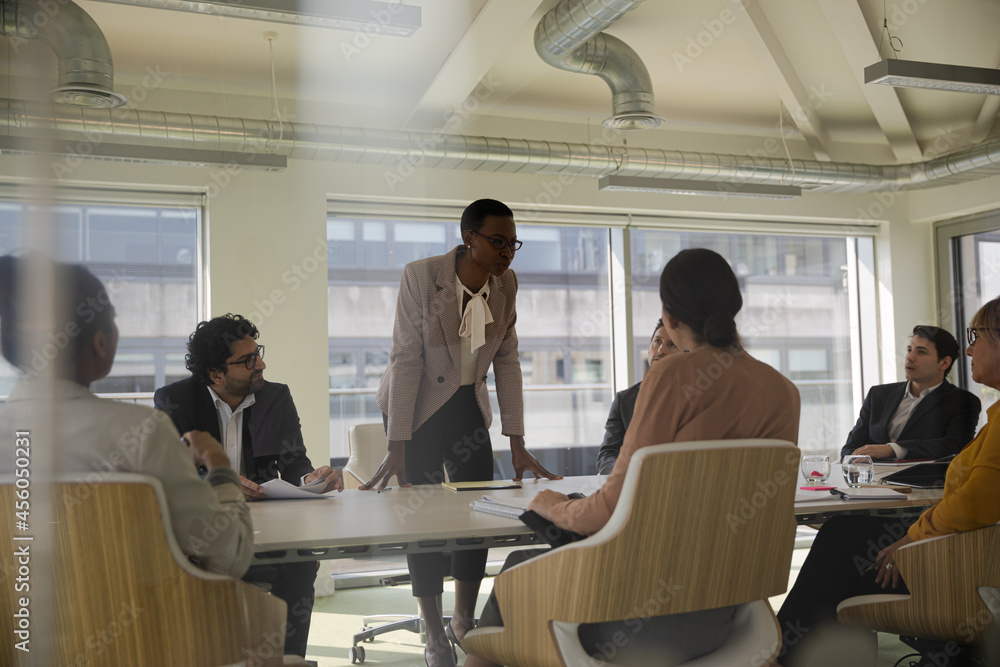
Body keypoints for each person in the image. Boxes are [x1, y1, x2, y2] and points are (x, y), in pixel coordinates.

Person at [463, 247, 801, 667]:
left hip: (629, 622)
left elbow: (611, 508)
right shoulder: (784, 392)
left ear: (670, 316)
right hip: (726, 617)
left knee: (514, 578)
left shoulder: (670, 376)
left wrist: (557, 508)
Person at [363, 198, 560, 667]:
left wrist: (517, 444)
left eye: (513, 243)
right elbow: (406, 359)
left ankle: (463, 620)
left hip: (468, 401)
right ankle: (433, 632)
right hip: (415, 405)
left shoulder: (505, 283)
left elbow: (507, 359)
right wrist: (399, 445)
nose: (507, 252)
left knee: (477, 512)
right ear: (468, 236)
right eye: (497, 241)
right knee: (423, 516)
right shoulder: (421, 276)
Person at [778, 301, 1000, 667]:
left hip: (963, 564)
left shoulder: (968, 407)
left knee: (841, 545)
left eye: (976, 337)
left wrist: (911, 538)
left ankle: (779, 650)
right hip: (957, 547)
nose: (971, 348)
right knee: (844, 540)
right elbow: (853, 443)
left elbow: (974, 502)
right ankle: (792, 649)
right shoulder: (884, 395)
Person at [0, 255, 253, 577]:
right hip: (148, 624)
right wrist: (219, 464)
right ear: (100, 342)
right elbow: (229, 555)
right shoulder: (142, 432)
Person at [154, 313, 343, 659]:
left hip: (268, 532)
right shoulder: (174, 401)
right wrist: (219, 483)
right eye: (248, 360)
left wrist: (311, 479)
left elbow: (294, 462)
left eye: (258, 353)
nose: (261, 364)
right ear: (216, 374)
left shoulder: (276, 398)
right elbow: (169, 476)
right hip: (205, 534)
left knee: (301, 564)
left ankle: (289, 660)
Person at [841, 325, 980, 461]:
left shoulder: (963, 401)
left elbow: (954, 445)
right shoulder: (878, 394)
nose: (910, 357)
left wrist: (893, 449)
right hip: (870, 481)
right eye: (909, 350)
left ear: (944, 363)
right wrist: (857, 461)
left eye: (921, 352)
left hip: (923, 482)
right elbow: (850, 447)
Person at [596, 319, 679, 474]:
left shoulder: (697, 396)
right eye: (657, 342)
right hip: (634, 484)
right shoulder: (625, 400)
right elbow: (606, 455)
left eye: (672, 344)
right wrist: (627, 474)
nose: (661, 350)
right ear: (649, 349)